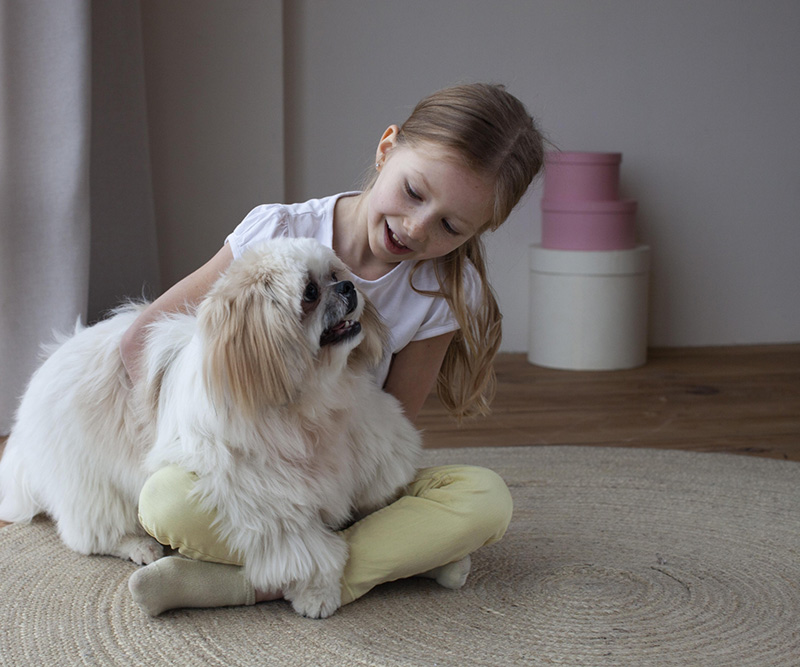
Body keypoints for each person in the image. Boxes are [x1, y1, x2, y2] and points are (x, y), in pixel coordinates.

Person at [120, 83, 545, 616]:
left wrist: (329, 497)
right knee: (166, 502)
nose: (416, 227)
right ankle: (393, 560)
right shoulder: (278, 231)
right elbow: (141, 339)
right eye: (414, 192)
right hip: (246, 474)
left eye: (451, 226)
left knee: (486, 501)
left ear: (480, 230)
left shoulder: (440, 293)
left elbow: (393, 429)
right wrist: (188, 440)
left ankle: (244, 583)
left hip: (341, 485)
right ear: (387, 148)